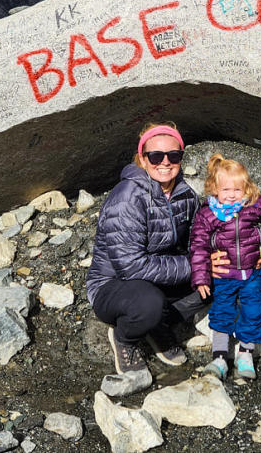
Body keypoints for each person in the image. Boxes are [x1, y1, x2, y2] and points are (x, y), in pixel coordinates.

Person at [85, 122, 199, 396]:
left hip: (158, 277)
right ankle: (125, 337)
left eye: (174, 156)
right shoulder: (127, 197)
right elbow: (131, 266)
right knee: (149, 302)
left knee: (223, 274)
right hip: (114, 286)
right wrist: (194, 266)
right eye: (156, 156)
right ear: (142, 158)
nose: (165, 163)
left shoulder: (186, 194)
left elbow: (201, 237)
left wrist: (236, 248)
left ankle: (157, 325)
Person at [189, 154, 261, 380]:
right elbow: (198, 245)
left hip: (251, 274)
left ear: (246, 189)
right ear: (214, 189)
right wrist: (200, 277)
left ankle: (246, 355)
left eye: (237, 190)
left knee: (252, 311)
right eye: (226, 190)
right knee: (221, 312)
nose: (231, 195)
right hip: (224, 275)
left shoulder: (252, 206)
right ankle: (219, 358)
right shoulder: (208, 214)